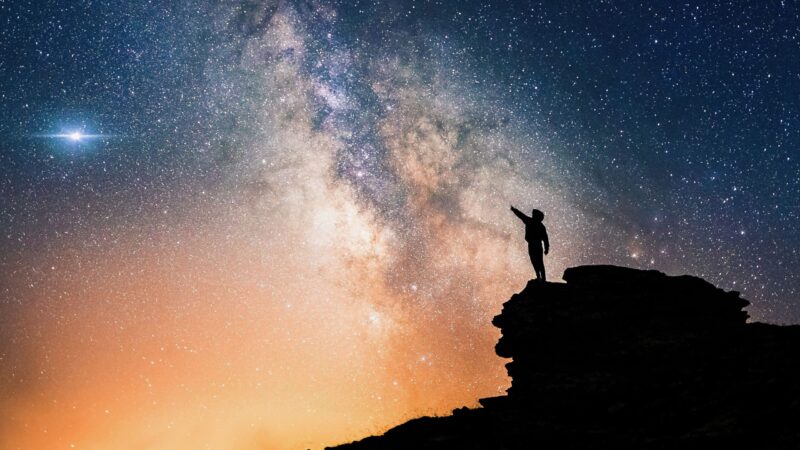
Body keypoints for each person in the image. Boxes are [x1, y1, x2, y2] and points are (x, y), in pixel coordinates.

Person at [510, 206, 549, 281]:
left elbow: (545, 238)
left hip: (535, 245)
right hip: (533, 245)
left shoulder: (532, 222)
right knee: (535, 261)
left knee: (538, 262)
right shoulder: (538, 224)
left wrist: (514, 210)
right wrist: (546, 248)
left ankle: (542, 278)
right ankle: (540, 277)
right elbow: (545, 239)